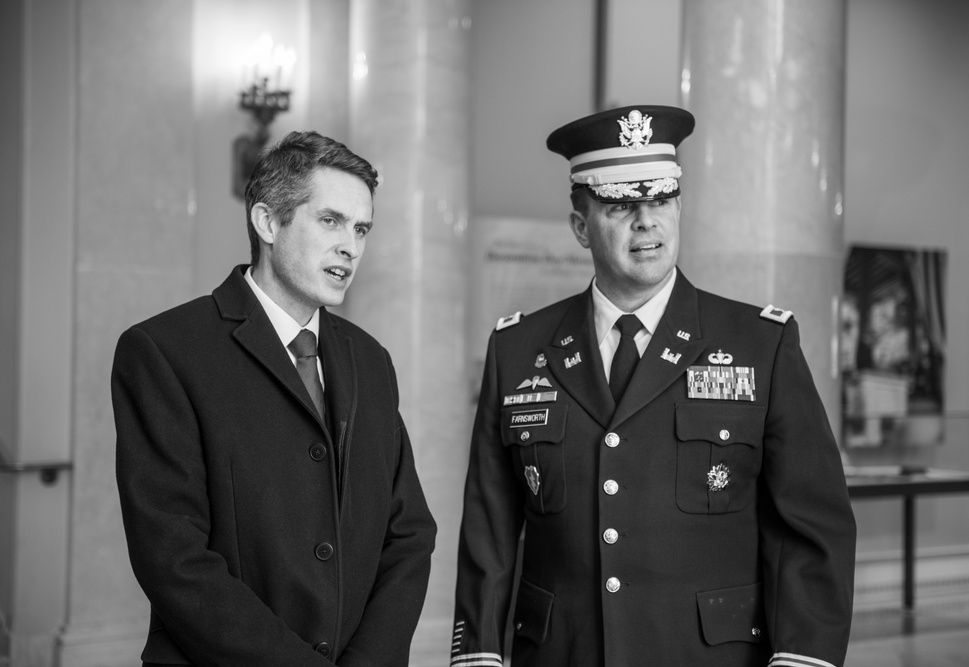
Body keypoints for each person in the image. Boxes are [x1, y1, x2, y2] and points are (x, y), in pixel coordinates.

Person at [451, 106, 856, 667]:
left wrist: (803, 658)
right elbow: (489, 532)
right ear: (579, 226)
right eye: (620, 204)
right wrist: (478, 656)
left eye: (661, 199)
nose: (647, 220)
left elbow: (811, 526)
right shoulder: (519, 349)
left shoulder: (761, 344)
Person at [112, 130, 436, 666]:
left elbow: (408, 535)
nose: (350, 246)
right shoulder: (165, 352)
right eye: (330, 220)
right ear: (268, 222)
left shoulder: (370, 361)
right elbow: (173, 559)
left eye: (361, 228)